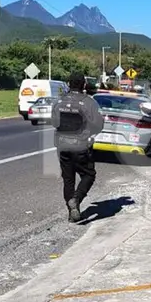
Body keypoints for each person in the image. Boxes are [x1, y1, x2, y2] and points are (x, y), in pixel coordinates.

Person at [52, 72, 105, 222]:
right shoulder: (88, 102)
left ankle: (72, 213)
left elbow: (54, 122)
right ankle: (76, 200)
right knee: (89, 175)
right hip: (80, 146)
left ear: (68, 84)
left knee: (68, 180)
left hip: (62, 145)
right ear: (83, 85)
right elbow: (98, 124)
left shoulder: (59, 101)